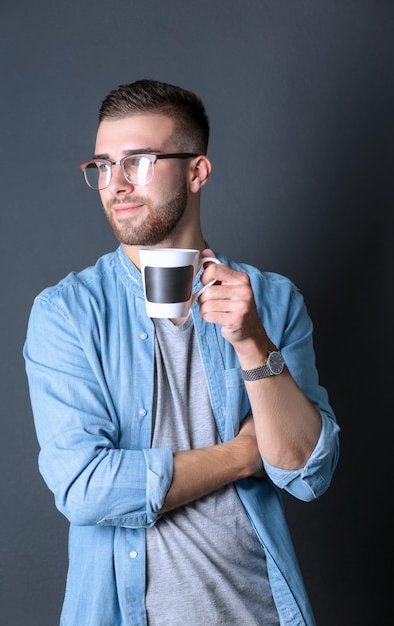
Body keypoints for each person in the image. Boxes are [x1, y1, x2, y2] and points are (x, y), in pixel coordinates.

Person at [23, 79, 340, 626]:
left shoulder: (272, 301)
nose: (115, 184)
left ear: (197, 171)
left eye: (139, 161)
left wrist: (251, 342)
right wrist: (241, 456)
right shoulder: (66, 313)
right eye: (103, 165)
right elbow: (84, 488)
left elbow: (307, 473)